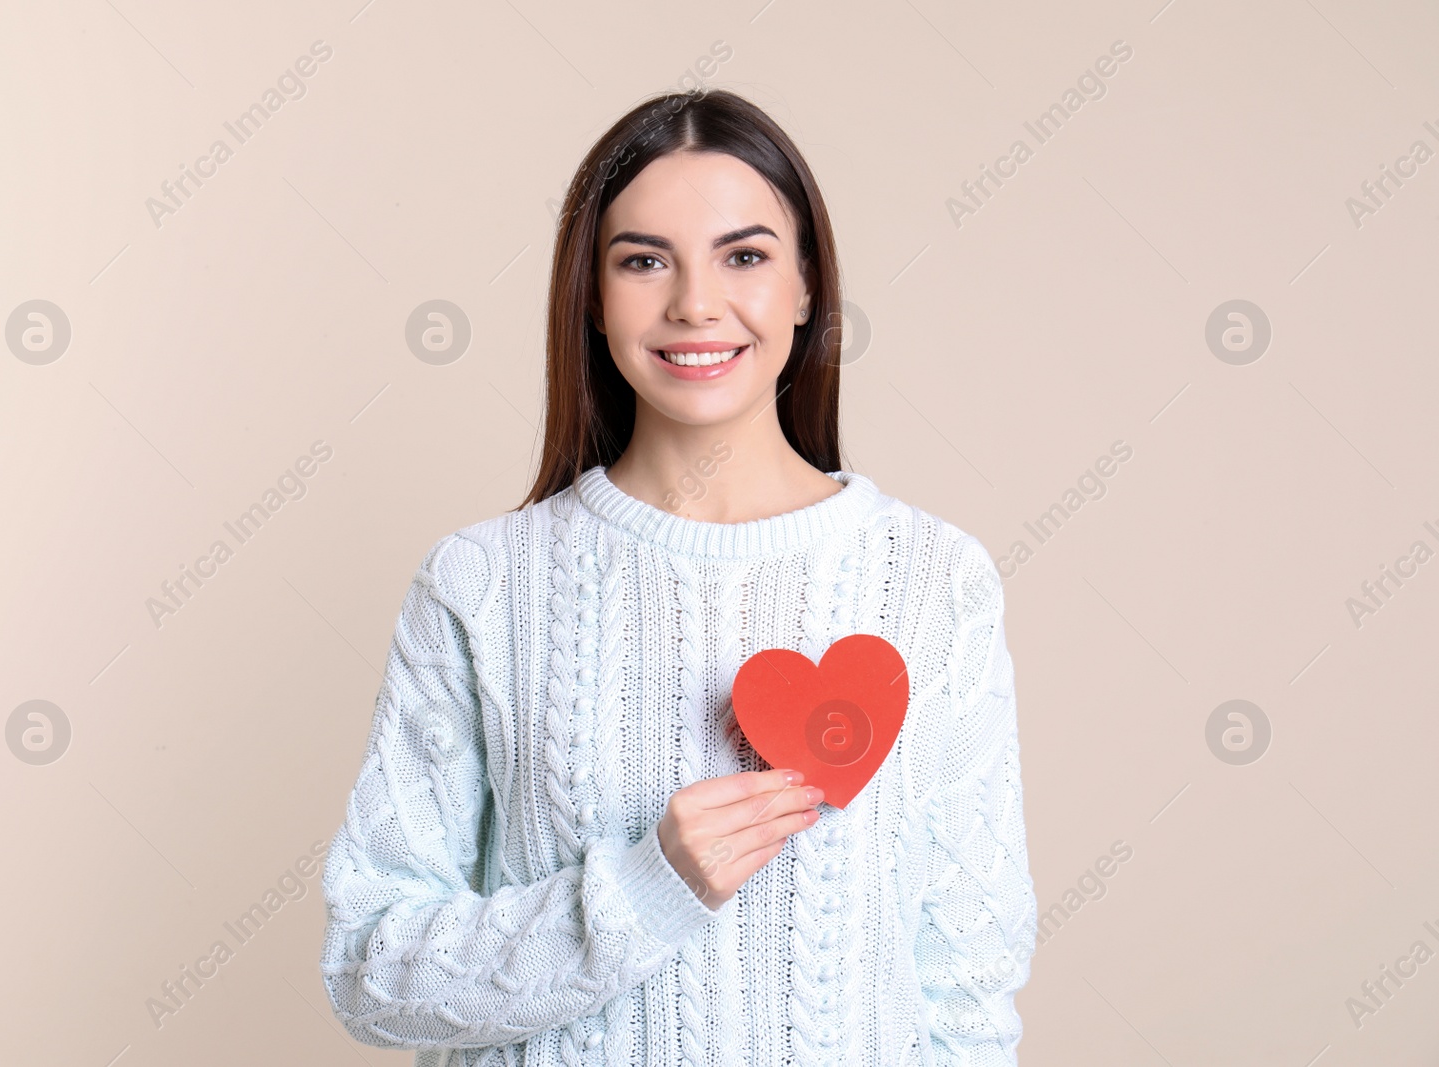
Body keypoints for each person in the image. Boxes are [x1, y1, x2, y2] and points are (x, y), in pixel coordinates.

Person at [319, 86, 1038, 1066]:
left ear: (805, 286)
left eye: (743, 255)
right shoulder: (481, 585)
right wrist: (643, 889)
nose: (695, 302)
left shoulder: (933, 581)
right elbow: (371, 969)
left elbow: (967, 992)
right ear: (590, 295)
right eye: (643, 260)